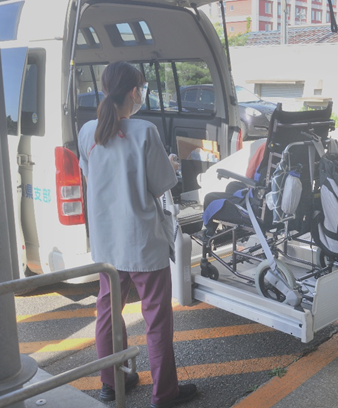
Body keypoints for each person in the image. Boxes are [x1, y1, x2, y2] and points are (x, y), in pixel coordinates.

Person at [78, 61, 197, 408]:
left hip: (107, 244)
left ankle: (111, 383)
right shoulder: (145, 131)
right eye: (142, 88)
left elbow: (93, 177)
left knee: (107, 313)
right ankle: (164, 394)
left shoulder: (88, 131)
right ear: (134, 91)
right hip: (143, 241)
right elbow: (162, 184)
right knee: (156, 319)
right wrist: (171, 165)